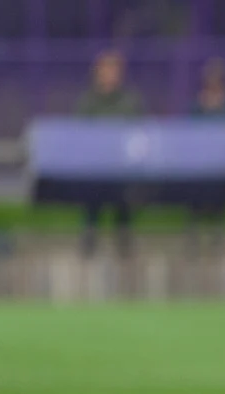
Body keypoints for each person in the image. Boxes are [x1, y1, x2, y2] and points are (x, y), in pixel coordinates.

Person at [75, 49, 145, 257]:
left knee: (124, 194)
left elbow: (138, 133)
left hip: (122, 167)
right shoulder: (88, 102)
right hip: (95, 167)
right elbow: (79, 135)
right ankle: (89, 236)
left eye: (114, 70)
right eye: (105, 70)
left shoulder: (129, 101)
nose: (110, 75)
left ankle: (124, 238)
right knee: (92, 192)